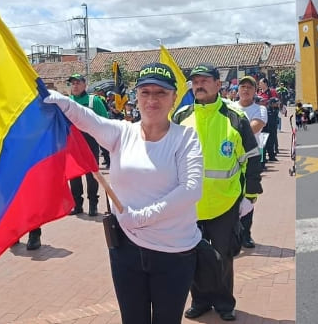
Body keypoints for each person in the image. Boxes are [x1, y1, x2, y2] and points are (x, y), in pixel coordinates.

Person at [44, 62, 203, 323]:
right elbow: (89, 120)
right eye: (145, 92)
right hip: (125, 249)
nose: (152, 99)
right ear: (136, 97)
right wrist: (63, 102)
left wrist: (141, 217)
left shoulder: (186, 138)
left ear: (174, 98)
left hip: (174, 252)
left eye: (161, 93)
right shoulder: (122, 132)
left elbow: (191, 190)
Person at [173, 63, 263, 322]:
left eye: (204, 80)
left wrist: (250, 196)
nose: (198, 85)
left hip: (225, 203)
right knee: (193, 256)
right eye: (195, 80)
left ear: (218, 84)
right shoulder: (180, 118)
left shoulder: (235, 118)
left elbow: (252, 158)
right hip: (190, 205)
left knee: (224, 256)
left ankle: (224, 303)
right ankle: (200, 300)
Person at [232, 76, 268, 249]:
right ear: (238, 89)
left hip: (251, 156)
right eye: (242, 86)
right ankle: (232, 233)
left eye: (249, 87)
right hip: (230, 156)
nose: (245, 90)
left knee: (249, 194)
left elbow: (255, 127)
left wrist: (231, 135)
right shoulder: (229, 107)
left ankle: (246, 234)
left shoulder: (260, 109)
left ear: (255, 91)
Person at [66, 73, 109, 216]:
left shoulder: (93, 100)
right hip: (72, 144)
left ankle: (93, 205)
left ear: (85, 85)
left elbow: (105, 121)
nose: (75, 86)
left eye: (78, 83)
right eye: (73, 83)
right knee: (74, 176)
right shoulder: (67, 101)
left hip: (90, 142)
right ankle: (77, 205)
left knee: (92, 176)